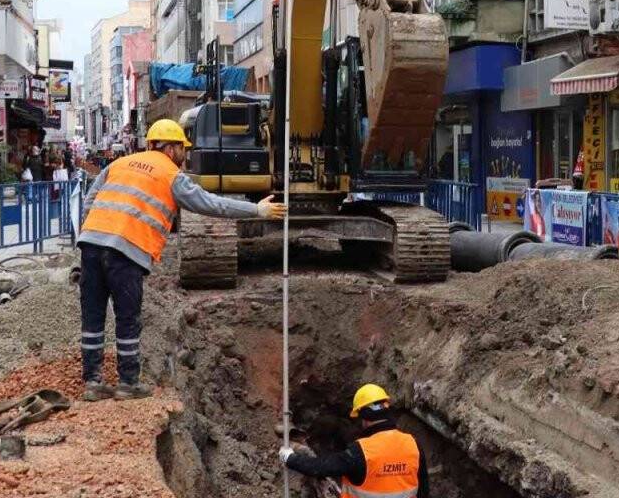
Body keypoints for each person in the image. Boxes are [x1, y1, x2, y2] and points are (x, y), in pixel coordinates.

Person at [77, 119, 287, 401]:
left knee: (93, 317)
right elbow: (210, 204)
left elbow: (90, 202)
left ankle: (92, 382)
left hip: (91, 244)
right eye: (182, 148)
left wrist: (84, 243)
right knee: (127, 320)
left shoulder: (118, 164)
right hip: (126, 251)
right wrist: (257, 210)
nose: (185, 155)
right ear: (171, 148)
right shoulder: (170, 174)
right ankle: (127, 384)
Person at [279, 383, 430, 498]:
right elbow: (423, 491)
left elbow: (321, 466)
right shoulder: (413, 444)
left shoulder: (361, 451)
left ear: (364, 418)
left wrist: (290, 458)